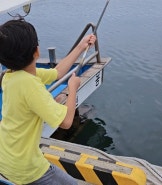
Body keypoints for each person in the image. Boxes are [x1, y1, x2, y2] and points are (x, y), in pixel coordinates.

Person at [0, 17, 96, 185]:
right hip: (26, 168)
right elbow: (66, 122)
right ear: (37, 51)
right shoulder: (31, 85)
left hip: (6, 156)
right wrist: (73, 88)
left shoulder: (11, 75)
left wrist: (81, 46)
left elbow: (57, 73)